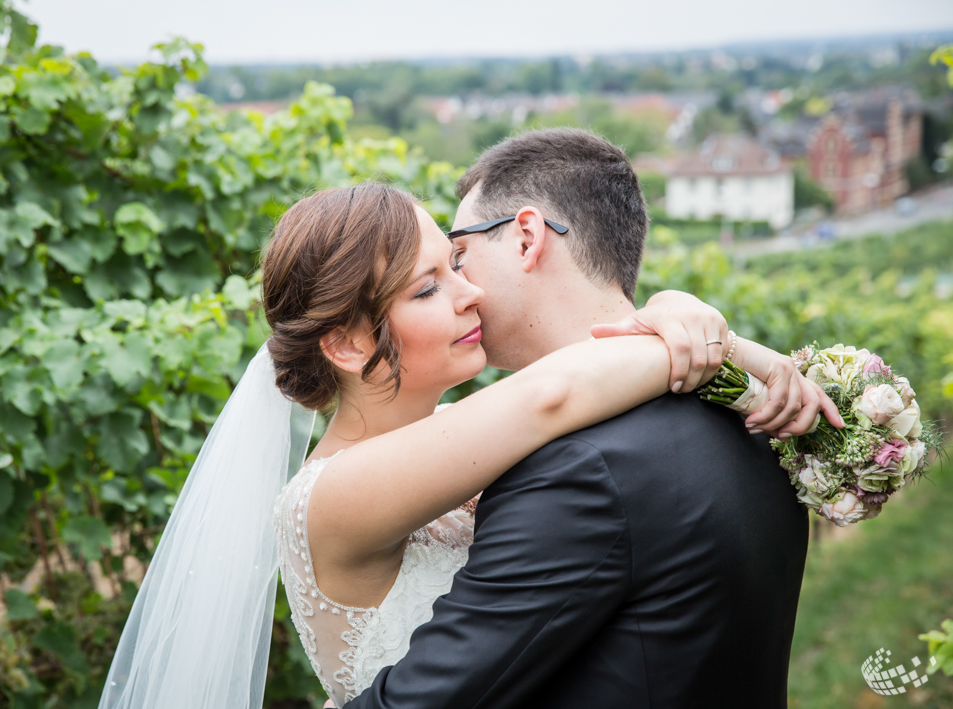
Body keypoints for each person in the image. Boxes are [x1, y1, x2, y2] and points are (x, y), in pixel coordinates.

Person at [98, 138, 835, 709]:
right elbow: (552, 397)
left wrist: (687, 320)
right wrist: (712, 342)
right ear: (350, 343)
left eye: (456, 264)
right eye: (430, 284)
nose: (468, 294)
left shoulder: (469, 434)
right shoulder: (330, 493)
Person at [340, 129, 829, 709]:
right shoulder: (749, 419)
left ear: (526, 238)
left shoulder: (575, 471)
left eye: (461, 256)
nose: (462, 290)